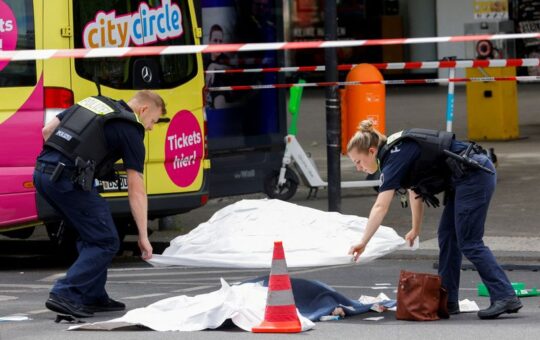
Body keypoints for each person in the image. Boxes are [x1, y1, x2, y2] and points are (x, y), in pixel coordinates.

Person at [346, 120, 522, 320]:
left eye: (357, 162)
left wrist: (363, 241)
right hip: (466, 177)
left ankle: (505, 295)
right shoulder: (396, 151)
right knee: (447, 236)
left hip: (474, 176)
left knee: (469, 241)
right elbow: (415, 191)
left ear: (371, 151)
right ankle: (448, 301)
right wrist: (415, 228)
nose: (358, 167)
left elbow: (380, 206)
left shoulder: (393, 157)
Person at [33, 90, 166, 318]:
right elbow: (136, 188)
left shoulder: (96, 102)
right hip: (66, 180)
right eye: (153, 121)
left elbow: (48, 130)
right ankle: (66, 293)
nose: (151, 127)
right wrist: (143, 236)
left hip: (42, 173)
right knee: (105, 240)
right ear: (143, 110)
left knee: (91, 232)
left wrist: (67, 160)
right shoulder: (131, 129)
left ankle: (93, 296)